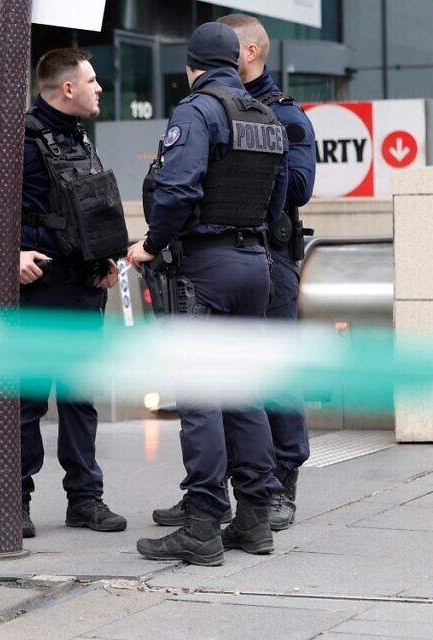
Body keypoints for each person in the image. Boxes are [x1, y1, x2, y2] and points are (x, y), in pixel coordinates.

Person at [127, 22, 288, 566]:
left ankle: (201, 522)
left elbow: (177, 188)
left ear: (191, 65)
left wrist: (151, 244)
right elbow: (279, 198)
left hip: (207, 266)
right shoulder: (266, 115)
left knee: (200, 395)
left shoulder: (197, 110)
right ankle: (255, 519)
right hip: (256, 263)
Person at [0, 48, 128, 539]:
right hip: (37, 294)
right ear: (67, 89)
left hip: (82, 291)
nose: (99, 88)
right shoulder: (17, 135)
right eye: (93, 80)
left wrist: (104, 260)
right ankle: (14, 501)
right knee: (28, 402)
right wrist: (9, 254)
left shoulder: (77, 136)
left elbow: (85, 210)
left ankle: (85, 499)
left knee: (81, 399)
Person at [218, 13, 316, 530]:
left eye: (223, 45)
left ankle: (282, 481)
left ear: (250, 53)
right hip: (217, 257)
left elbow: (298, 187)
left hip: (270, 259)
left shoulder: (285, 115)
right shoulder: (210, 109)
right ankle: (222, 488)